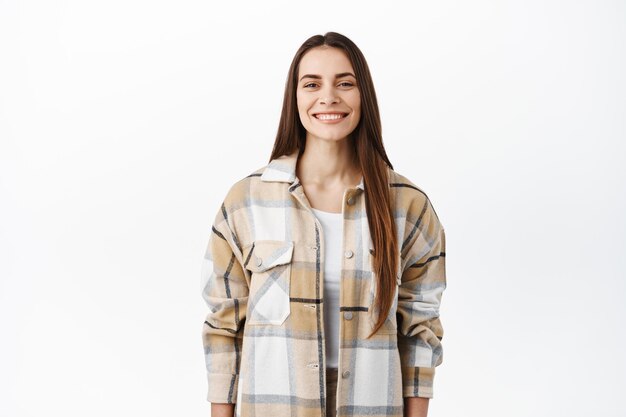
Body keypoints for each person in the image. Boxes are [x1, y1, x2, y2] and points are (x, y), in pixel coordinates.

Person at [200, 32, 447, 417]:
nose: (328, 96)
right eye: (312, 84)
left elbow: (420, 328)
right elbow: (224, 327)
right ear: (294, 97)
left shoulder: (407, 206)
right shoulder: (247, 202)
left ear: (363, 95)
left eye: (345, 83)